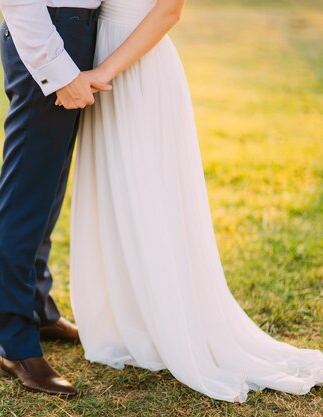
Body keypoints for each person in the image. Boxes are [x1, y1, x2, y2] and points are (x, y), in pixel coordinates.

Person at [69, 0, 323, 402]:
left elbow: (170, 10)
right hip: (101, 55)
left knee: (151, 195)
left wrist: (104, 71)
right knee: (119, 194)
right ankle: (132, 319)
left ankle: (170, 320)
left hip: (134, 65)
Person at [0, 0, 109, 396]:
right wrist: (56, 67)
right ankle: (17, 347)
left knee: (48, 189)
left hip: (74, 32)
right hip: (49, 37)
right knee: (26, 196)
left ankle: (38, 312)